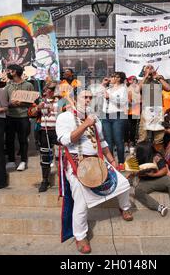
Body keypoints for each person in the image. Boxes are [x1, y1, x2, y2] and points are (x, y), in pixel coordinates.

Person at [56, 90, 133, 254]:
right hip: (76, 161)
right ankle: (80, 236)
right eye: (85, 97)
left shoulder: (94, 117)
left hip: (97, 160)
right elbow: (64, 140)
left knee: (124, 183)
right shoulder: (65, 117)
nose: (88, 100)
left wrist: (112, 161)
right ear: (75, 98)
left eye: (90, 97)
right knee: (82, 201)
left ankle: (124, 207)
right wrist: (84, 124)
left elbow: (103, 142)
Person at [134, 142, 170, 217]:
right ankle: (159, 207)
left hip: (159, 179)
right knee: (138, 191)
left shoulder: (156, 156)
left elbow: (164, 170)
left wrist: (154, 174)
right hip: (145, 182)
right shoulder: (136, 158)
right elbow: (134, 172)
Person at [30, 82, 60, 192]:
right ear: (45, 90)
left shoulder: (62, 101)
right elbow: (31, 113)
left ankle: (63, 179)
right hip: (44, 131)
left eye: (54, 89)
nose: (51, 91)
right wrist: (38, 108)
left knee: (60, 155)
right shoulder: (40, 101)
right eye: (49, 89)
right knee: (45, 156)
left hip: (59, 131)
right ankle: (45, 180)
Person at [4, 64, 35, 172]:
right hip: (10, 116)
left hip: (23, 116)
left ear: (16, 71)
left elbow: (34, 101)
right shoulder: (7, 86)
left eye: (10, 71)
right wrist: (10, 103)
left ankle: (23, 160)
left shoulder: (28, 85)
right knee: (9, 139)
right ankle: (11, 160)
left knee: (23, 139)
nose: (8, 72)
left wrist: (22, 102)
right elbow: (4, 102)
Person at [138, 64, 170, 153]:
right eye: (147, 68)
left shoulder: (158, 80)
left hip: (157, 110)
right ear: (144, 71)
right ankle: (143, 157)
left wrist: (158, 78)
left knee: (159, 137)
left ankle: (159, 158)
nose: (150, 69)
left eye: (151, 67)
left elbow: (168, 88)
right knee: (143, 136)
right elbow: (138, 89)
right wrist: (146, 76)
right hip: (146, 110)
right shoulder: (143, 80)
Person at [101, 72, 128, 171]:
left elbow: (123, 102)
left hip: (117, 115)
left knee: (118, 140)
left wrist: (110, 97)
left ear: (118, 79)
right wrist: (103, 84)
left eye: (113, 76)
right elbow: (95, 94)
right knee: (108, 141)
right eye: (111, 76)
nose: (110, 78)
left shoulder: (123, 89)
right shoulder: (107, 89)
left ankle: (121, 162)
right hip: (106, 116)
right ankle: (111, 163)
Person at [125, 76, 141, 152]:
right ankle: (125, 143)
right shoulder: (126, 88)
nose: (134, 80)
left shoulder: (137, 88)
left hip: (135, 110)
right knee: (127, 127)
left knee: (133, 128)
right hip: (126, 111)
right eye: (132, 79)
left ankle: (131, 142)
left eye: (135, 79)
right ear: (129, 81)